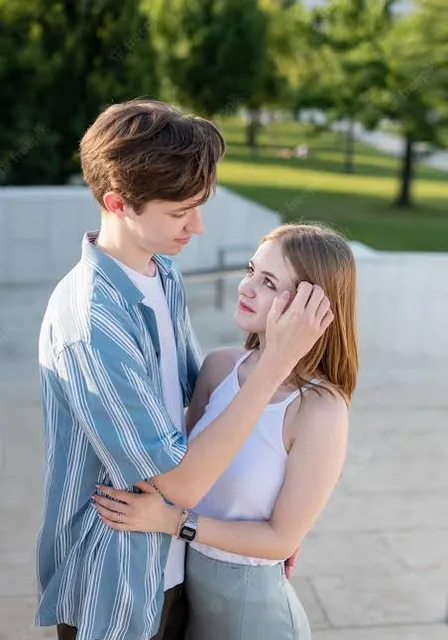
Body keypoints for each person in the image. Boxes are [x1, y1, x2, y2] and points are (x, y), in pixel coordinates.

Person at [35, 98, 334, 640]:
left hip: (182, 567)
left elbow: (202, 420)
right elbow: (184, 481)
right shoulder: (90, 321)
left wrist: (273, 526)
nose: (196, 226)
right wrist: (276, 361)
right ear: (117, 203)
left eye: (199, 206)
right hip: (119, 587)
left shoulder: (161, 274)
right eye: (179, 212)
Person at [92, 222, 358, 640]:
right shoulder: (218, 368)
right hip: (187, 606)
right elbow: (182, 470)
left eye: (268, 282)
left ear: (312, 306)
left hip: (256, 621)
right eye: (251, 270)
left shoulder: (320, 411)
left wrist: (173, 521)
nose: (246, 287)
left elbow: (280, 540)